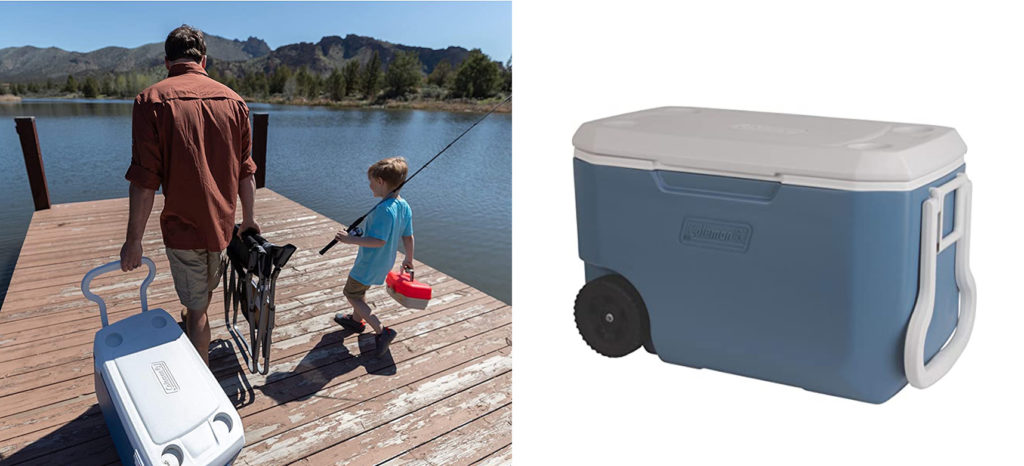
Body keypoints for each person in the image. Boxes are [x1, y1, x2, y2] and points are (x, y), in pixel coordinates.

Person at [119, 25, 259, 366]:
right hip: (223, 230)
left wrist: (133, 240)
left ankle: (202, 385)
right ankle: (195, 330)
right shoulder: (235, 101)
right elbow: (246, 171)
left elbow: (144, 181)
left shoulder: (150, 100)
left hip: (184, 231)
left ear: (167, 61)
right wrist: (250, 220)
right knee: (201, 302)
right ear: (204, 60)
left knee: (196, 314)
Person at [333, 157, 415, 356]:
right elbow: (408, 236)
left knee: (351, 293)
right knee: (360, 290)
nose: (369, 185)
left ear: (380, 181)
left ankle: (381, 330)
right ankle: (355, 321)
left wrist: (349, 240)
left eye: (371, 181)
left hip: (369, 263)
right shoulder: (403, 205)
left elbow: (379, 241)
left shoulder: (383, 210)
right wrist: (408, 259)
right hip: (384, 262)